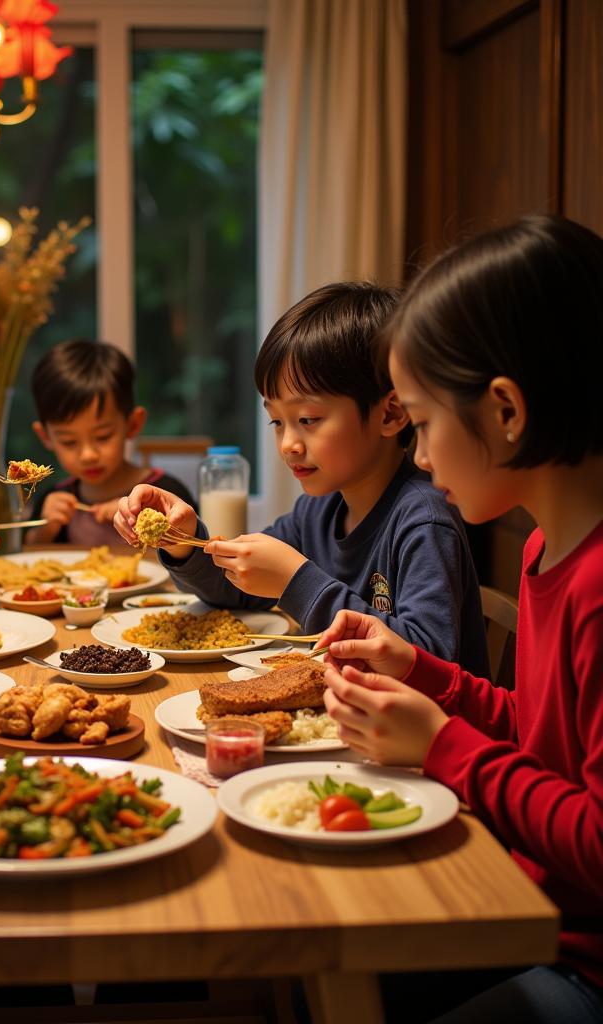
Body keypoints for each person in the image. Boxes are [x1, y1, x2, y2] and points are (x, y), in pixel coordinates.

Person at [316, 216, 603, 1023]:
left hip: (576, 960)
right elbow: (550, 738)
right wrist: (424, 671)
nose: (422, 454)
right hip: (528, 908)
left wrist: (443, 745)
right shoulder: (548, 544)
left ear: (505, 411)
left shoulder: (597, 583)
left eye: (424, 419)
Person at [114, 283, 489, 673]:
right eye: (277, 421)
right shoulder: (318, 509)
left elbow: (431, 665)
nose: (288, 444)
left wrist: (296, 580)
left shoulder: (423, 520)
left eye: (307, 419)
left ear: (390, 414)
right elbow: (235, 591)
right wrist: (183, 540)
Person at [25, 339, 196, 548]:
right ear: (45, 437)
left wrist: (146, 520)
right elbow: (29, 556)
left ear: (133, 424)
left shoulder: (165, 494)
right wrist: (46, 528)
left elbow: (196, 557)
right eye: (69, 441)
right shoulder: (52, 499)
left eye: (103, 436)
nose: (88, 455)